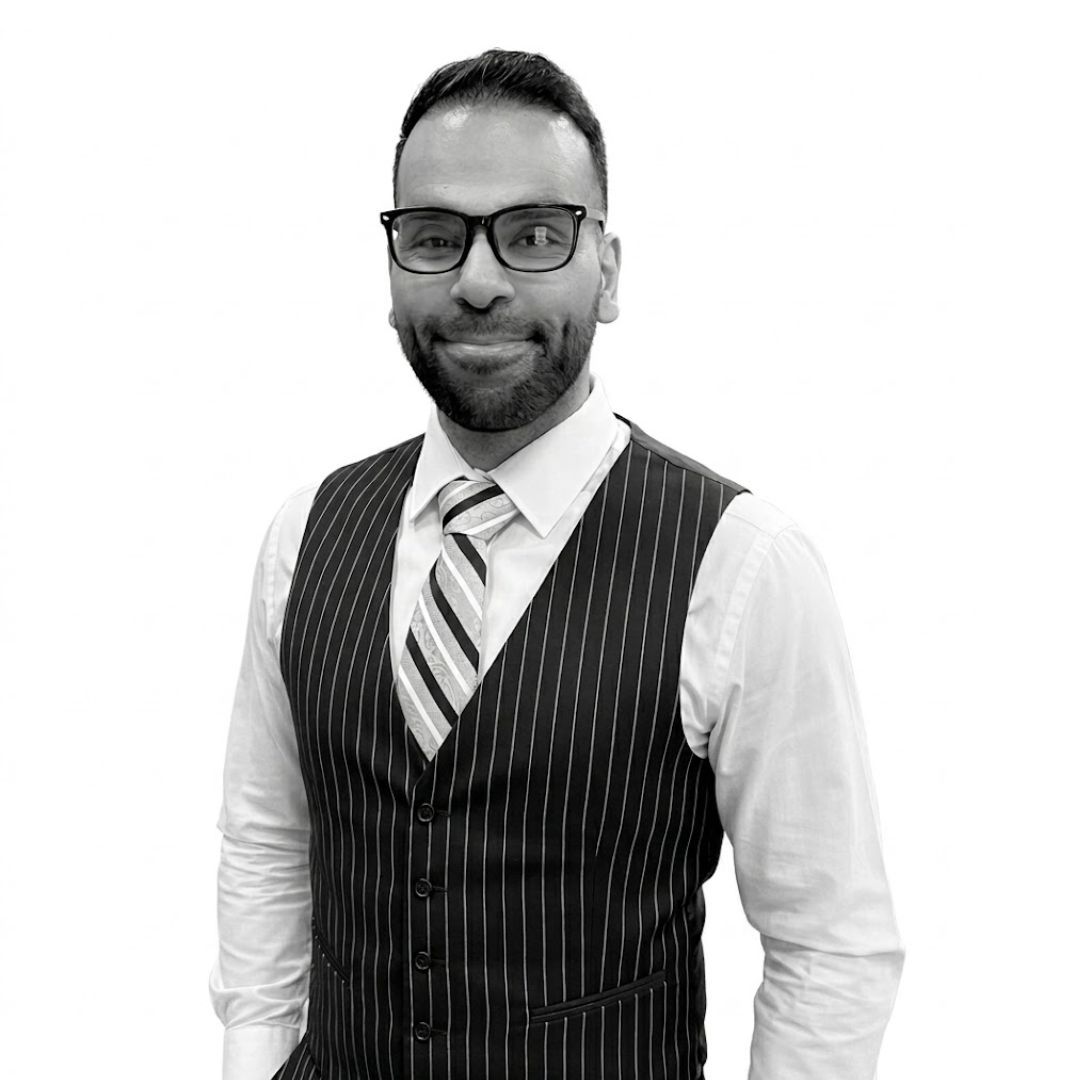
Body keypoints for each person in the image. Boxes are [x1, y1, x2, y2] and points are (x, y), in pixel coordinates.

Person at [209, 48, 905, 1080]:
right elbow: (268, 846)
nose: (478, 282)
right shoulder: (305, 532)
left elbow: (828, 943)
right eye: (436, 238)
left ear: (608, 270)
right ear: (395, 270)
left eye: (534, 235)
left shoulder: (744, 565)